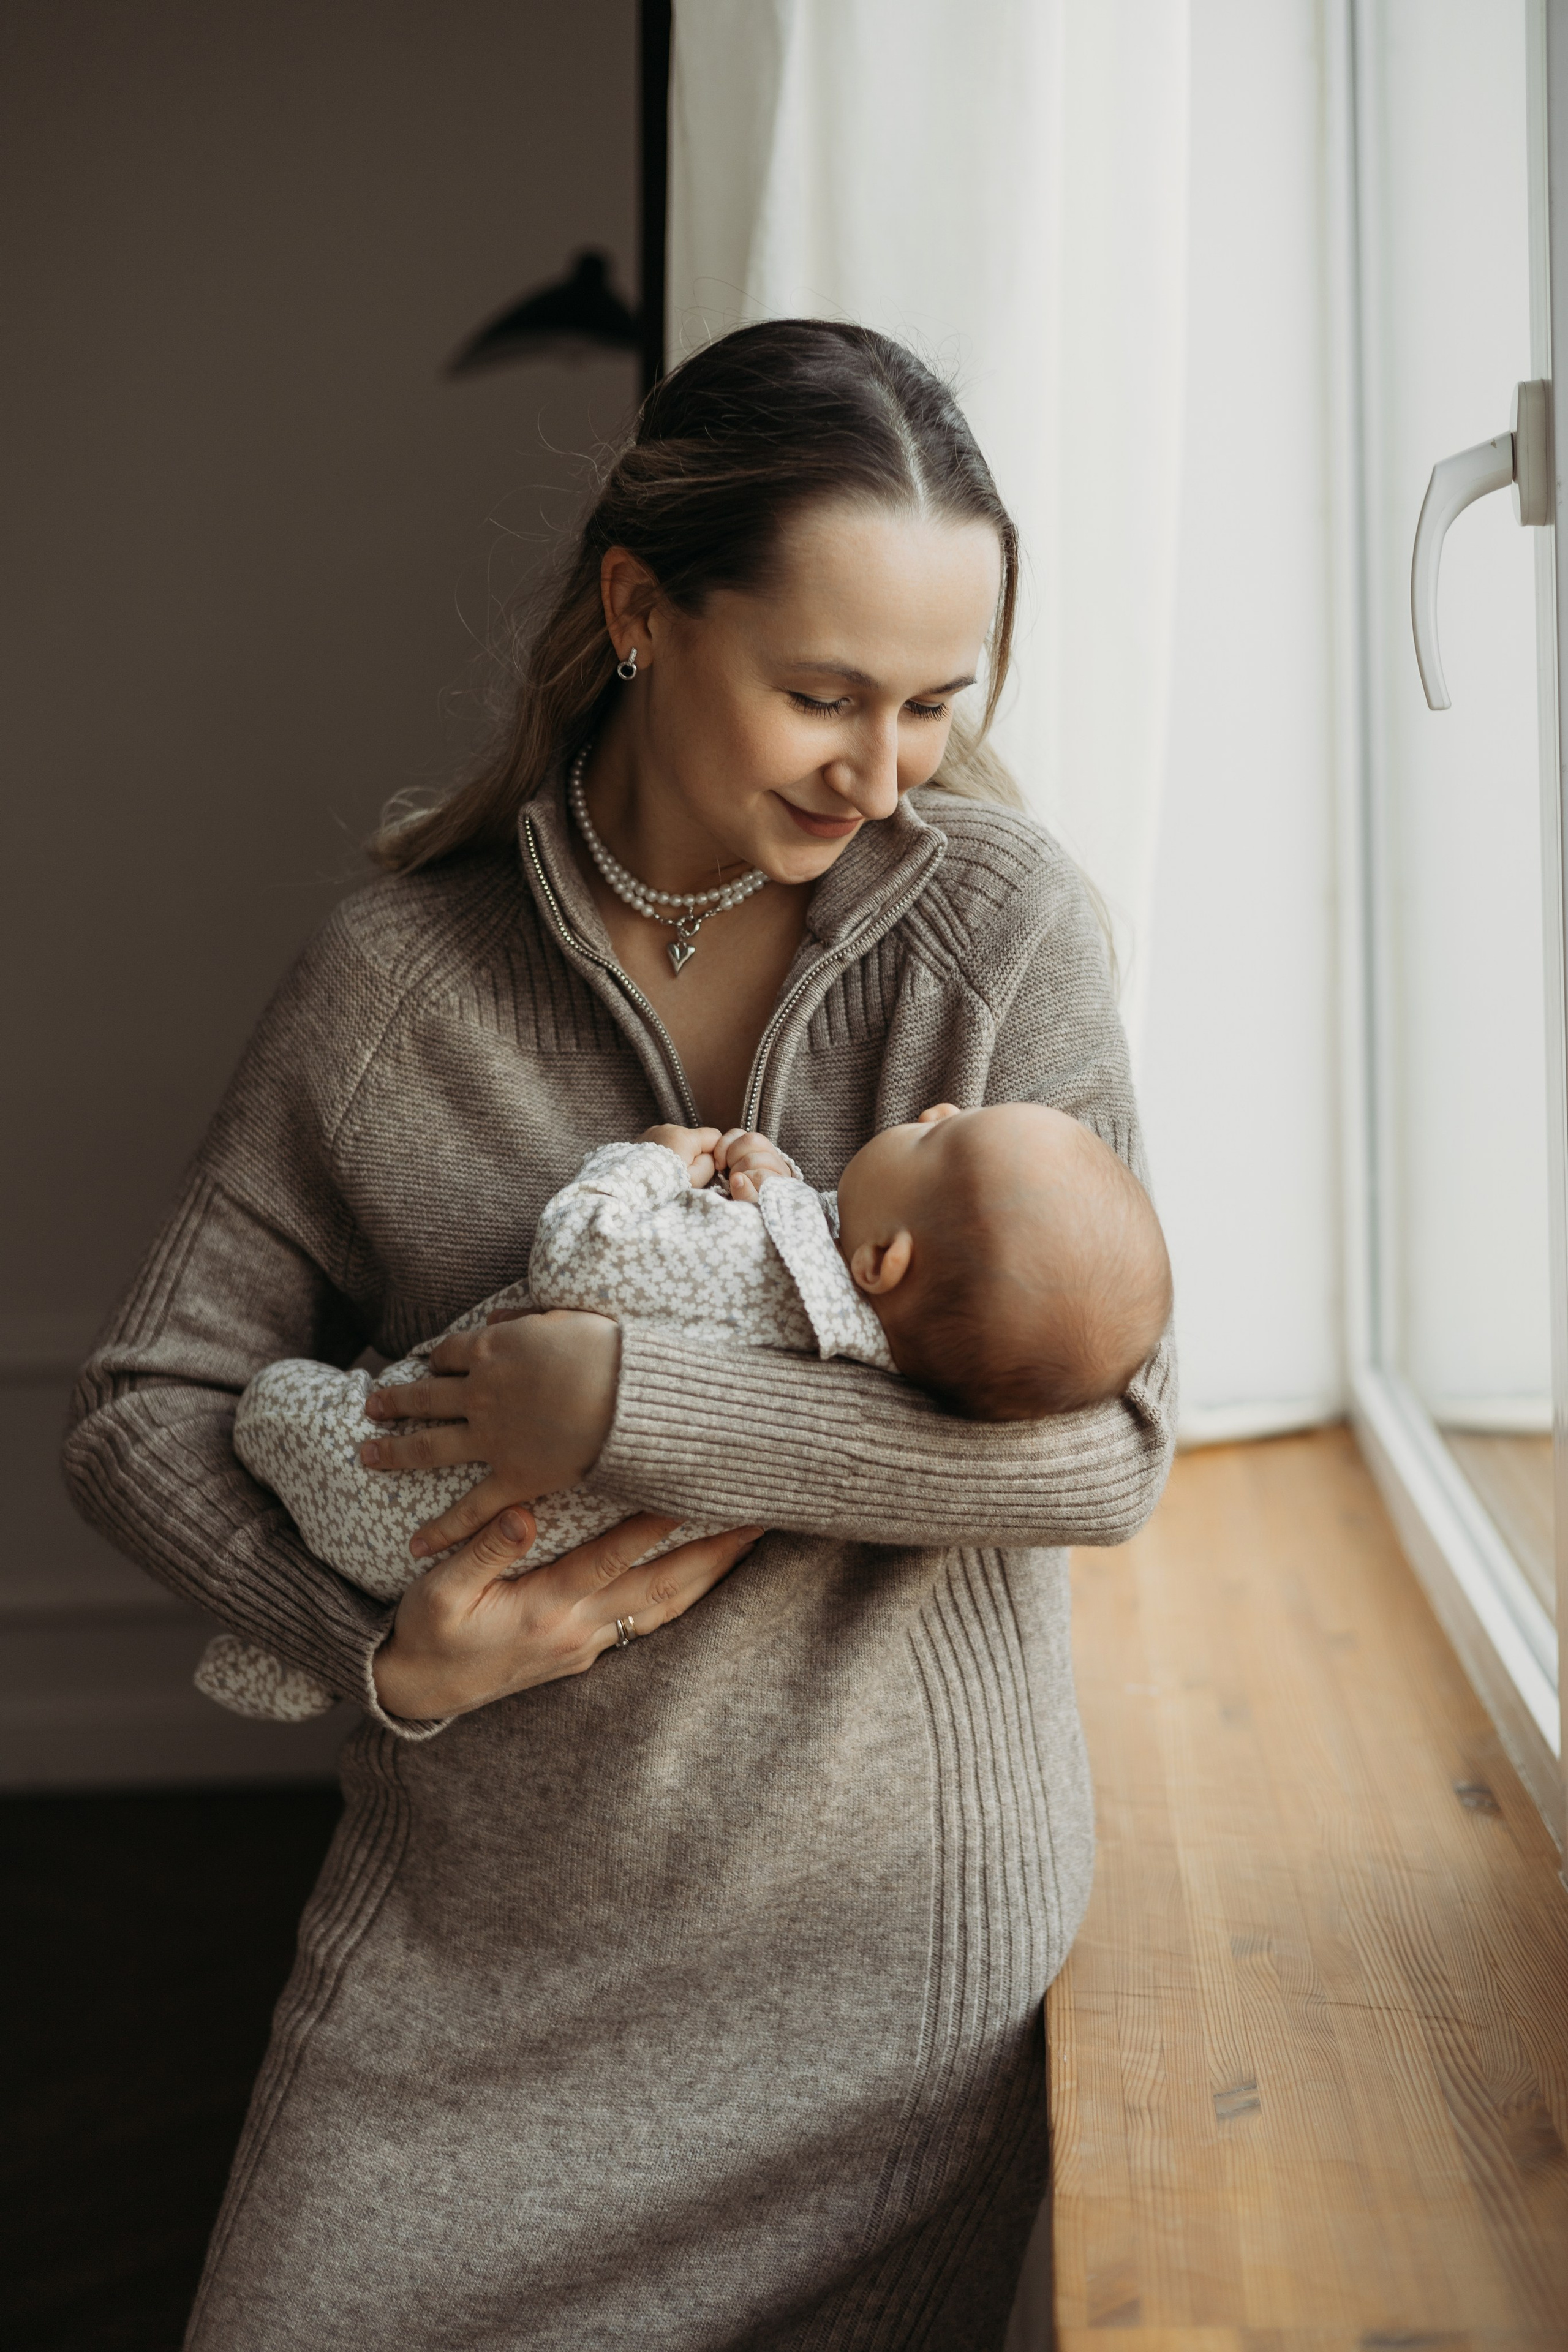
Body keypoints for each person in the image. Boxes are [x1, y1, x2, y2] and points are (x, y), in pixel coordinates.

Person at [64, 318, 1177, 2350]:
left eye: (939, 703)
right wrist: (375, 1647)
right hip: (476, 1957)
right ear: (642, 611)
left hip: (887, 2000)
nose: (882, 768)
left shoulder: (1007, 932)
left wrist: (637, 1404)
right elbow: (145, 1405)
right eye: (821, 693)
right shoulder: (398, 976)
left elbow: (1105, 1453)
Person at [194, 1102, 1172, 1722]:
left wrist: (651, 1166)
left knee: (276, 1406)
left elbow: (584, 1256)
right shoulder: (907, 1372)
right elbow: (817, 1301)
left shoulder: (745, 1268)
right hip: (463, 1594)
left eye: (939, 1133)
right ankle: (302, 1654)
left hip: (388, 1470)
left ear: (885, 1260)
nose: (943, 1103)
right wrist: (386, 1666)